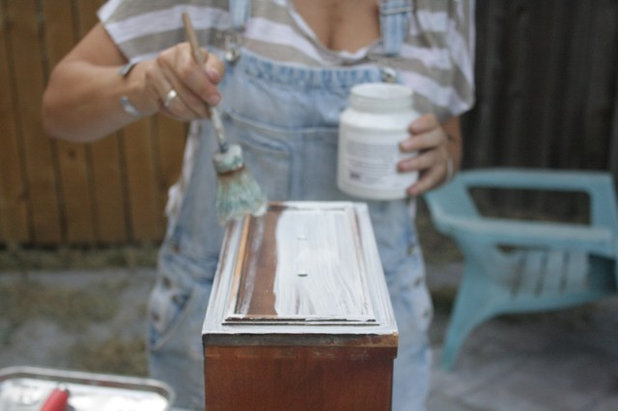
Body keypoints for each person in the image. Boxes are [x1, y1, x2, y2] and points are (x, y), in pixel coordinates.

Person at [42, 1, 475, 409]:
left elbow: (449, 133)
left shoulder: (441, 7)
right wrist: (145, 83)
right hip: (216, 319)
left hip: (378, 326)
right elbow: (59, 107)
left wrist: (443, 156)